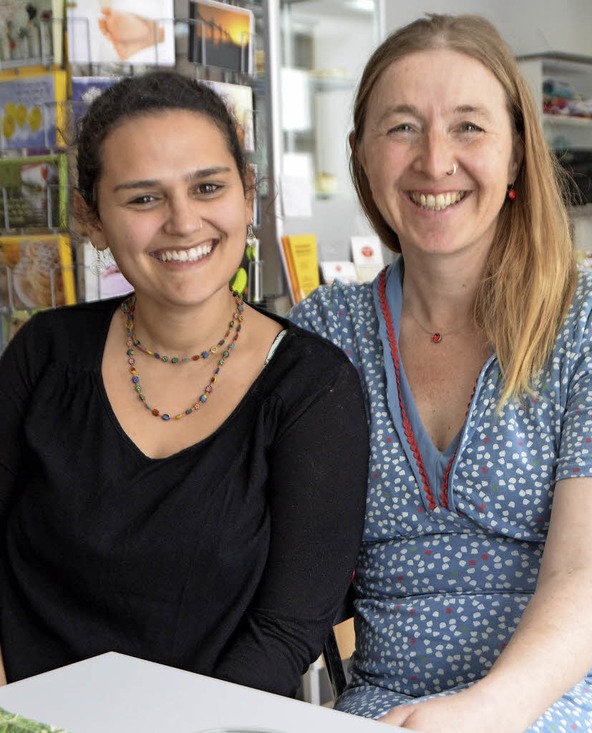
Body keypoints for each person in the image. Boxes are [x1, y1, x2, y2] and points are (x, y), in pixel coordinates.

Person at [288, 13, 592, 733]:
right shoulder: (325, 331)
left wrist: (488, 709)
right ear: (361, 155)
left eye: (469, 127)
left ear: (516, 153)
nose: (435, 160)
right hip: (384, 703)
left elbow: (589, 573)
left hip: (571, 695)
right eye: (403, 127)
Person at [0, 70, 370, 698]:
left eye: (207, 187)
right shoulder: (45, 354)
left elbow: (285, 633)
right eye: (143, 198)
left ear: (248, 196)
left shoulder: (314, 388)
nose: (182, 221)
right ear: (93, 219)